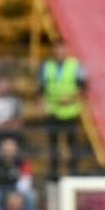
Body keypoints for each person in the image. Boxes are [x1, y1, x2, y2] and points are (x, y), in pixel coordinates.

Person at [40, 38, 86, 180]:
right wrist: (44, 104)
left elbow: (83, 87)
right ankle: (54, 174)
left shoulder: (76, 66)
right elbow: (41, 88)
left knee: (72, 145)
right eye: (56, 49)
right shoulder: (47, 66)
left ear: (66, 50)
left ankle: (74, 174)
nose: (59, 52)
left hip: (71, 111)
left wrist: (69, 99)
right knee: (53, 145)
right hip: (53, 111)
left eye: (62, 49)